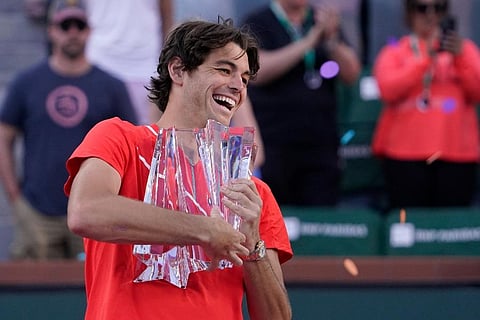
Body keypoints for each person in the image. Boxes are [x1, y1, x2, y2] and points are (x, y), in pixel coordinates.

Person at [64, 19, 293, 319]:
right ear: (178, 70)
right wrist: (204, 230)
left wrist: (253, 246)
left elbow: (276, 317)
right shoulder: (119, 139)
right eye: (224, 70)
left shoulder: (251, 191)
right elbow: (86, 211)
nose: (238, 86)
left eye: (246, 79)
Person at [0, 0, 137, 260]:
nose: (72, 32)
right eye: (65, 25)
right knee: (36, 294)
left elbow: (131, 144)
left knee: (91, 291)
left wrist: (118, 203)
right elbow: (3, 137)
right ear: (51, 30)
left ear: (89, 31)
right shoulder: (26, 83)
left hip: (94, 212)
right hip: (37, 212)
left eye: (79, 25)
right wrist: (16, 198)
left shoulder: (112, 86)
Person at [242, 0, 361, 206]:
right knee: (275, 217)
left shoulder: (320, 21)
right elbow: (255, 70)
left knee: (321, 219)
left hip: (321, 145)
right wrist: (308, 42)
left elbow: (351, 73)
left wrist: (331, 40)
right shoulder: (257, 22)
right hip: (275, 145)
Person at [372, 0, 480, 209]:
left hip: (456, 155)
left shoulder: (464, 49)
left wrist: (460, 58)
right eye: (422, 8)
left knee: (451, 229)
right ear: (410, 12)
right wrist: (425, 60)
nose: (430, 15)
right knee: (407, 227)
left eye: (438, 8)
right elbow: (387, 89)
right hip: (404, 156)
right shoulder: (396, 49)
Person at [85, 0, 174, 124]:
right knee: (95, 135)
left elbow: (167, 14)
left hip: (144, 66)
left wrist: (165, 62)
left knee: (146, 138)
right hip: (100, 60)